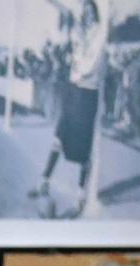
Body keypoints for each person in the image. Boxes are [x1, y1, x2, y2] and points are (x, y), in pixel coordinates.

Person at [29, 0, 107, 218]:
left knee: (83, 149)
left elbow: (90, 66)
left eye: (91, 12)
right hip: (73, 90)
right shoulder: (79, 31)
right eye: (85, 12)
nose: (87, 15)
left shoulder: (99, 34)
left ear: (96, 14)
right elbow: (66, 11)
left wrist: (78, 64)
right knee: (59, 135)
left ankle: (81, 196)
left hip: (87, 93)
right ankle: (43, 181)